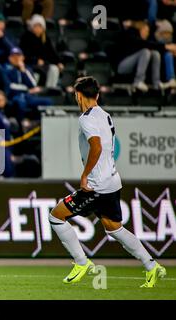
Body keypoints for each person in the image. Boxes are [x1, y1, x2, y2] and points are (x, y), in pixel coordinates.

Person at [49, 76, 166, 288]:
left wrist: (85, 175)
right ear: (98, 95)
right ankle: (152, 266)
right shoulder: (104, 114)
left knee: (56, 217)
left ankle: (81, 262)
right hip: (112, 180)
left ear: (78, 95)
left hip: (97, 185)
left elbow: (96, 146)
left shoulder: (86, 119)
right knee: (114, 229)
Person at [113, 20, 176, 92]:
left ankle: (156, 82)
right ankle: (138, 81)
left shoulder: (144, 41)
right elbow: (145, 44)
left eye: (148, 32)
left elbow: (153, 46)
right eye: (146, 31)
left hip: (133, 66)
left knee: (155, 53)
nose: (147, 33)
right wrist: (166, 46)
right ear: (141, 30)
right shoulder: (132, 36)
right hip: (122, 66)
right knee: (145, 51)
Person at [4, 47, 53, 121]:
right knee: (20, 102)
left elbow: (33, 85)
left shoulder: (27, 69)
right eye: (13, 56)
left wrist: (24, 71)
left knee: (48, 101)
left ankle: (38, 124)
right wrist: (27, 89)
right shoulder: (6, 70)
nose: (16, 58)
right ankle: (21, 126)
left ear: (23, 57)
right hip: (14, 96)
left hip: (28, 97)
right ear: (9, 58)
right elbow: (10, 86)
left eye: (18, 56)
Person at [19, 14, 64, 88]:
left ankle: (50, 89)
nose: (37, 28)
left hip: (44, 64)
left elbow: (51, 52)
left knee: (54, 69)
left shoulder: (45, 38)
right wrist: (36, 60)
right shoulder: (26, 37)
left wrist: (58, 62)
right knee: (37, 73)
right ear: (32, 26)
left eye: (40, 26)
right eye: (35, 26)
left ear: (43, 28)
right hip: (31, 64)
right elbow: (24, 54)